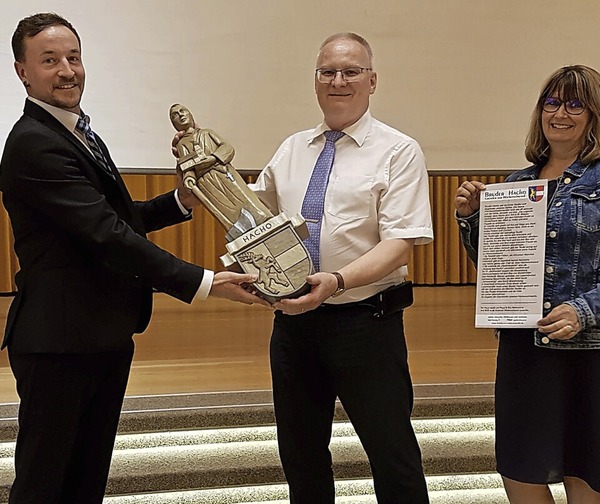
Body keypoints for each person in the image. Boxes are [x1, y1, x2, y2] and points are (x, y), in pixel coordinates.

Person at [0, 13, 267, 504]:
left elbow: (113, 218)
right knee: (43, 483)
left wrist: (181, 201)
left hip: (101, 334)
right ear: (22, 71)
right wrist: (205, 281)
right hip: (58, 344)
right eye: (49, 60)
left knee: (85, 481)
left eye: (73, 57)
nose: (67, 70)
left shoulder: (78, 131)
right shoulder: (33, 144)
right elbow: (106, 235)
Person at [251, 32, 433, 503]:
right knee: (300, 454)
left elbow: (400, 243)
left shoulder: (399, 150)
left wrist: (336, 282)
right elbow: (250, 213)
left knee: (391, 454)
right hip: (293, 326)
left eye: (351, 71)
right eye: (328, 72)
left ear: (372, 81)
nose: (338, 80)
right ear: (315, 82)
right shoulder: (292, 149)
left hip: (365, 324)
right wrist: (203, 177)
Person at [455, 65, 600, 504]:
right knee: (520, 471)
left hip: (598, 352)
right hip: (526, 351)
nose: (561, 113)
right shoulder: (517, 184)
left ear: (596, 113)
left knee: (585, 478)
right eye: (552, 102)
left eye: (576, 104)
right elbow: (500, 271)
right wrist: (473, 219)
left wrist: (584, 310)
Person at [169, 103, 272, 239]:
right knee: (225, 205)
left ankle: (262, 219)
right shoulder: (182, 145)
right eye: (175, 115)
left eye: (183, 111)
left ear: (190, 114)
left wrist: (213, 158)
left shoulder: (207, 133)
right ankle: (242, 231)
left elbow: (227, 147)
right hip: (206, 182)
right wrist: (189, 178)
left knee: (242, 197)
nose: (180, 115)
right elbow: (187, 167)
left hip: (222, 172)